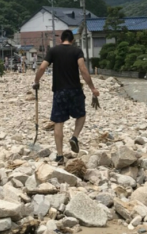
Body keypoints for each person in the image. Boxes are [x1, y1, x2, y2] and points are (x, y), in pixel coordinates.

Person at [32, 30, 100, 165]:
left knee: (59, 122)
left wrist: (36, 81)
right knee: (81, 115)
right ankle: (74, 137)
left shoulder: (54, 51)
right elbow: (83, 69)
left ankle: (59, 155)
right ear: (73, 40)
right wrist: (92, 88)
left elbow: (42, 68)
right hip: (75, 90)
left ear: (61, 39)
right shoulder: (77, 51)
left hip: (59, 92)